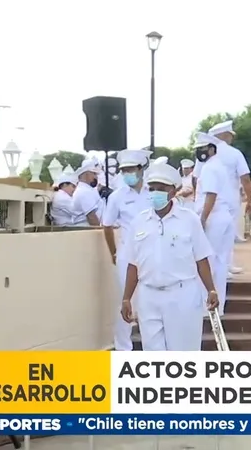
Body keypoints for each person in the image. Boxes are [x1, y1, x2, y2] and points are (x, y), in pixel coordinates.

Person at [119, 162, 220, 351]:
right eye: (152, 188)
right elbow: (133, 264)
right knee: (153, 354)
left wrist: (211, 290)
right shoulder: (139, 222)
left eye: (161, 189)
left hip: (182, 295)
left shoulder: (189, 220)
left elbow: (201, 259)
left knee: (183, 353)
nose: (155, 193)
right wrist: (126, 298)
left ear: (173, 191)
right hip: (149, 295)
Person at [101, 149, 152, 351]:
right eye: (124, 171)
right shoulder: (117, 197)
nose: (127, 174)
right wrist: (114, 252)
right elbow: (107, 225)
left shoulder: (154, 192)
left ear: (141, 169)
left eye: (131, 169)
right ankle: (123, 348)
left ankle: (152, 346)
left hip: (152, 254)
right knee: (126, 299)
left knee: (150, 299)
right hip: (127, 254)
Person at [192, 133, 235, 313]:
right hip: (223, 216)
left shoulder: (209, 168)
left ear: (212, 149)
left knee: (207, 261)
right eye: (197, 149)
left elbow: (211, 195)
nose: (200, 152)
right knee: (220, 262)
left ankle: (206, 305)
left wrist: (202, 219)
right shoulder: (219, 166)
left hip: (212, 217)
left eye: (203, 148)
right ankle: (219, 306)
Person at [207, 120, 251, 275]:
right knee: (228, 234)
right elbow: (245, 178)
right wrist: (249, 200)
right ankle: (226, 265)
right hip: (230, 198)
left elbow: (196, 178)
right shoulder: (235, 153)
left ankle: (212, 267)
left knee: (211, 235)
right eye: (230, 135)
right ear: (224, 135)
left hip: (209, 198)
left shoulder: (205, 153)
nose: (232, 138)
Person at [72, 160, 104, 226]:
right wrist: (101, 231)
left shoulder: (88, 190)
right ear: (86, 174)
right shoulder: (84, 192)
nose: (96, 177)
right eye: (94, 174)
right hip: (88, 232)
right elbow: (92, 217)